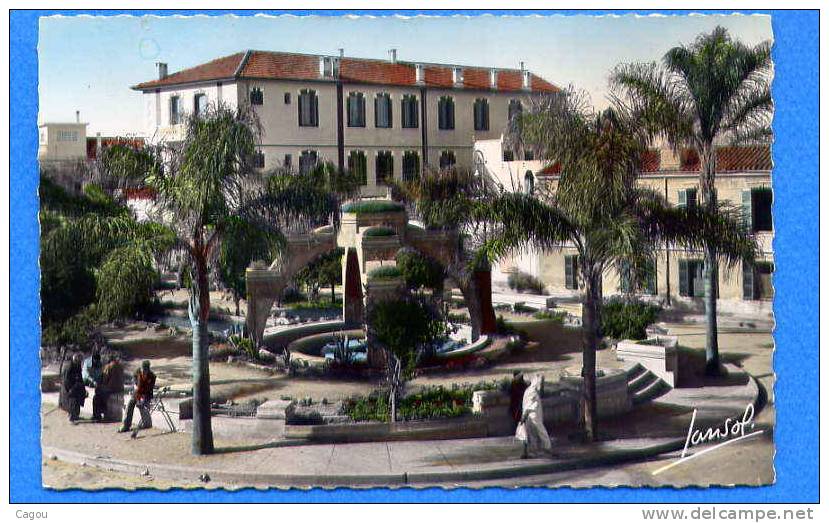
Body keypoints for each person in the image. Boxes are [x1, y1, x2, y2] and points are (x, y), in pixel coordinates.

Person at [515, 374, 553, 459]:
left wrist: (523, 416)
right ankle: (536, 450)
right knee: (534, 432)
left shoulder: (531, 390)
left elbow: (528, 406)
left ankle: (547, 447)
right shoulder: (530, 390)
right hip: (531, 414)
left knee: (538, 430)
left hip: (532, 414)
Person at [118, 360, 156, 433]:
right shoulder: (137, 372)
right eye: (143, 370)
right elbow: (134, 382)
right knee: (130, 403)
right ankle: (126, 425)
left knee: (142, 405)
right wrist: (136, 387)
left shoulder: (152, 376)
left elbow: (150, 389)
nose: (144, 372)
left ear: (148, 369)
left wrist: (143, 398)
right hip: (137, 392)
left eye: (145, 370)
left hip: (146, 395)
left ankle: (147, 424)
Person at [98, 353, 125, 421]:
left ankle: (104, 414)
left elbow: (105, 379)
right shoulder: (120, 366)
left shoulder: (108, 366)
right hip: (121, 388)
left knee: (98, 395)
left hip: (111, 389)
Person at [61, 353, 87, 423]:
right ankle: (71, 416)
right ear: (75, 359)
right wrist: (69, 389)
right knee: (73, 399)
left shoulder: (78, 365)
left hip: (76, 385)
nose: (80, 362)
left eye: (80, 361)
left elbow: (80, 377)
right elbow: (66, 379)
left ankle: (76, 415)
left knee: (80, 395)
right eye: (79, 360)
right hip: (69, 387)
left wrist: (83, 388)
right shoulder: (69, 366)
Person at [82, 349, 105, 421]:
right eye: (96, 361)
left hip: (96, 382)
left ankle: (97, 415)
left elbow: (101, 373)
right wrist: (93, 381)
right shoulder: (87, 362)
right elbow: (86, 374)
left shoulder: (99, 363)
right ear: (93, 359)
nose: (97, 362)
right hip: (85, 380)